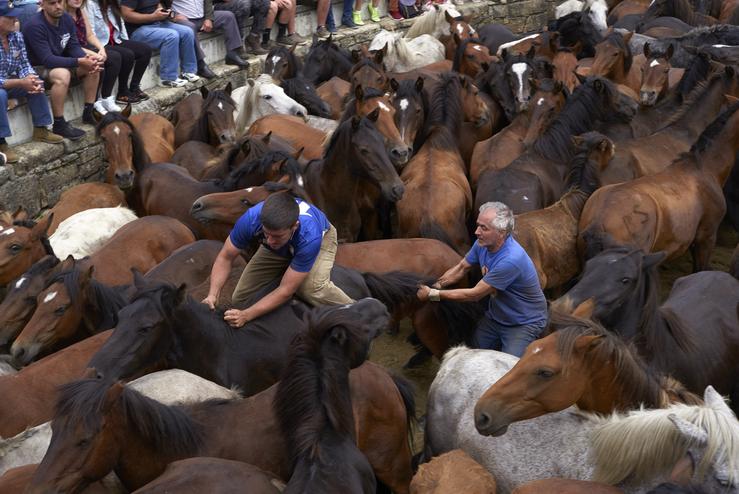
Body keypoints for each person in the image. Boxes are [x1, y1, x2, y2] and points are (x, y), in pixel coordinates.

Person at [417, 202, 548, 357]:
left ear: (502, 232)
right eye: (478, 225)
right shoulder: (482, 244)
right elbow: (461, 268)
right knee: (473, 353)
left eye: (484, 228)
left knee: (508, 367)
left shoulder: (511, 260)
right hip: (497, 317)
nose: (476, 231)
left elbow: (474, 294)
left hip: (523, 323)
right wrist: (438, 284)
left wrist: (433, 294)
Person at [203, 193, 354, 327]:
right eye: (266, 233)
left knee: (310, 288)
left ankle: (357, 311)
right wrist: (212, 295)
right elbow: (225, 257)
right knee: (240, 300)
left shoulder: (310, 236)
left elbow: (286, 290)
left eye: (276, 236)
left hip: (322, 237)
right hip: (279, 248)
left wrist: (247, 315)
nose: (269, 240)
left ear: (294, 226)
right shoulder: (251, 220)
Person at [22, 0, 104, 139]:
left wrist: (87, 60)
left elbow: (73, 47)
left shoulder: (65, 18)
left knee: (92, 66)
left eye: (60, 1)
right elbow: (47, 60)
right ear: (42, 4)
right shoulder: (34, 26)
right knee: (63, 74)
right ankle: (59, 124)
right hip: (36, 69)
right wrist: (79, 61)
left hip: (60, 61)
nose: (58, 6)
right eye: (52, 3)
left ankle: (89, 112)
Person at [0, 0, 63, 162]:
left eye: (15, 16)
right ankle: (1, 143)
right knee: (0, 95)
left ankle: (41, 129)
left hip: (9, 82)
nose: (15, 20)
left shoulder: (16, 36)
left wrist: (30, 78)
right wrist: (21, 82)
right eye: (10, 17)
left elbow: (24, 64)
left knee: (37, 82)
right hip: (2, 85)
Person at [84, 0, 152, 105]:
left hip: (115, 40)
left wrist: (127, 42)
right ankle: (121, 92)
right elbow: (90, 33)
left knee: (145, 49)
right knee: (126, 54)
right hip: (100, 44)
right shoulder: (90, 4)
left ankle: (134, 87)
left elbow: (121, 25)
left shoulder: (113, 3)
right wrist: (99, 48)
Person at [120, 0, 200, 87]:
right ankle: (167, 78)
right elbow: (126, 15)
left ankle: (188, 71)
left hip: (157, 23)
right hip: (137, 30)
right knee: (171, 36)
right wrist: (153, 16)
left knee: (187, 32)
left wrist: (164, 12)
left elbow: (156, 4)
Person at [171, 0, 247, 69]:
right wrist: (173, 15)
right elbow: (162, 4)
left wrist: (208, 18)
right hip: (185, 20)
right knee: (189, 28)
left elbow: (207, 2)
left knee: (228, 16)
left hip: (202, 17)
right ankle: (200, 63)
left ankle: (232, 54)